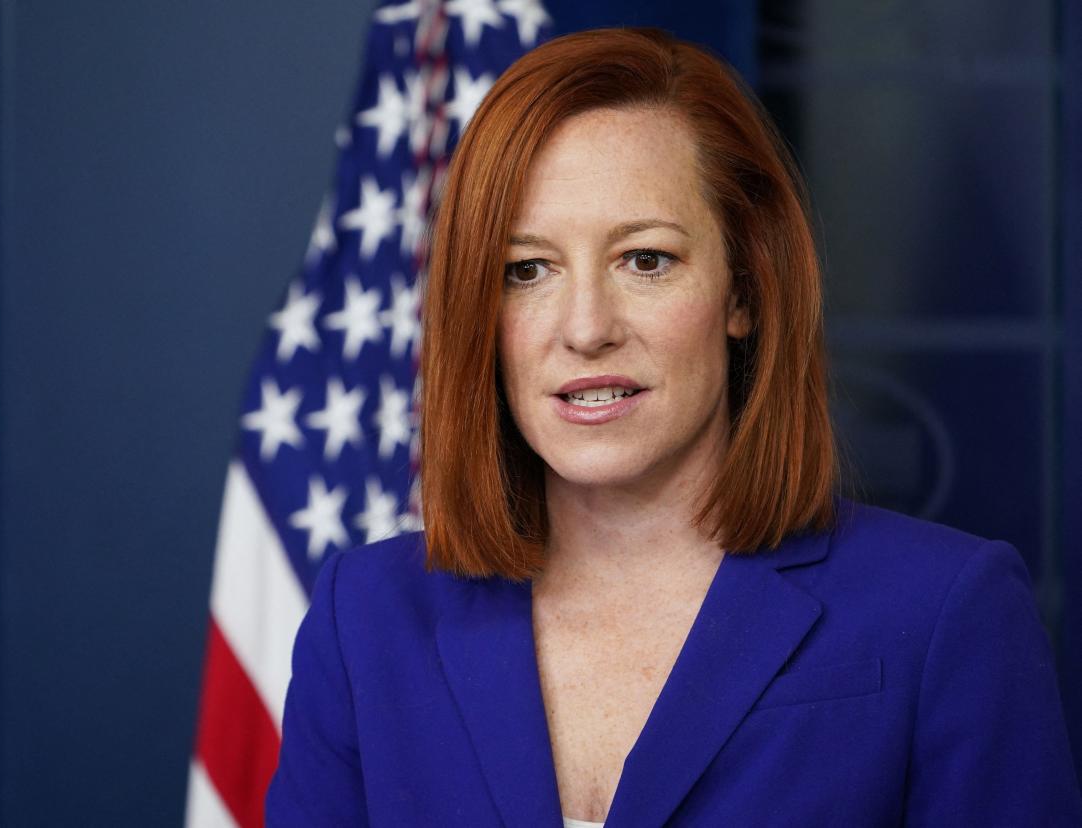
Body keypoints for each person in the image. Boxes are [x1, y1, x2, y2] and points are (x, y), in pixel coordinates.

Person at [265, 27, 1082, 827]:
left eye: (645, 259)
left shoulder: (946, 612)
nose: (585, 328)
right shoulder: (365, 619)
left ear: (744, 292)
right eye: (527, 270)